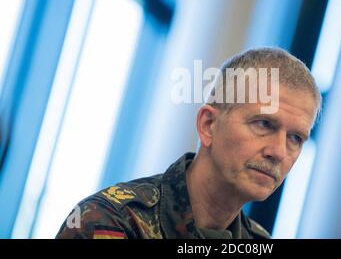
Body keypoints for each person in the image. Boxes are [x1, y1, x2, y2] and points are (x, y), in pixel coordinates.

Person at [56, 47, 321, 239]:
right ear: (209, 125)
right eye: (264, 125)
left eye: (295, 138)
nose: (278, 151)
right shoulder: (110, 221)